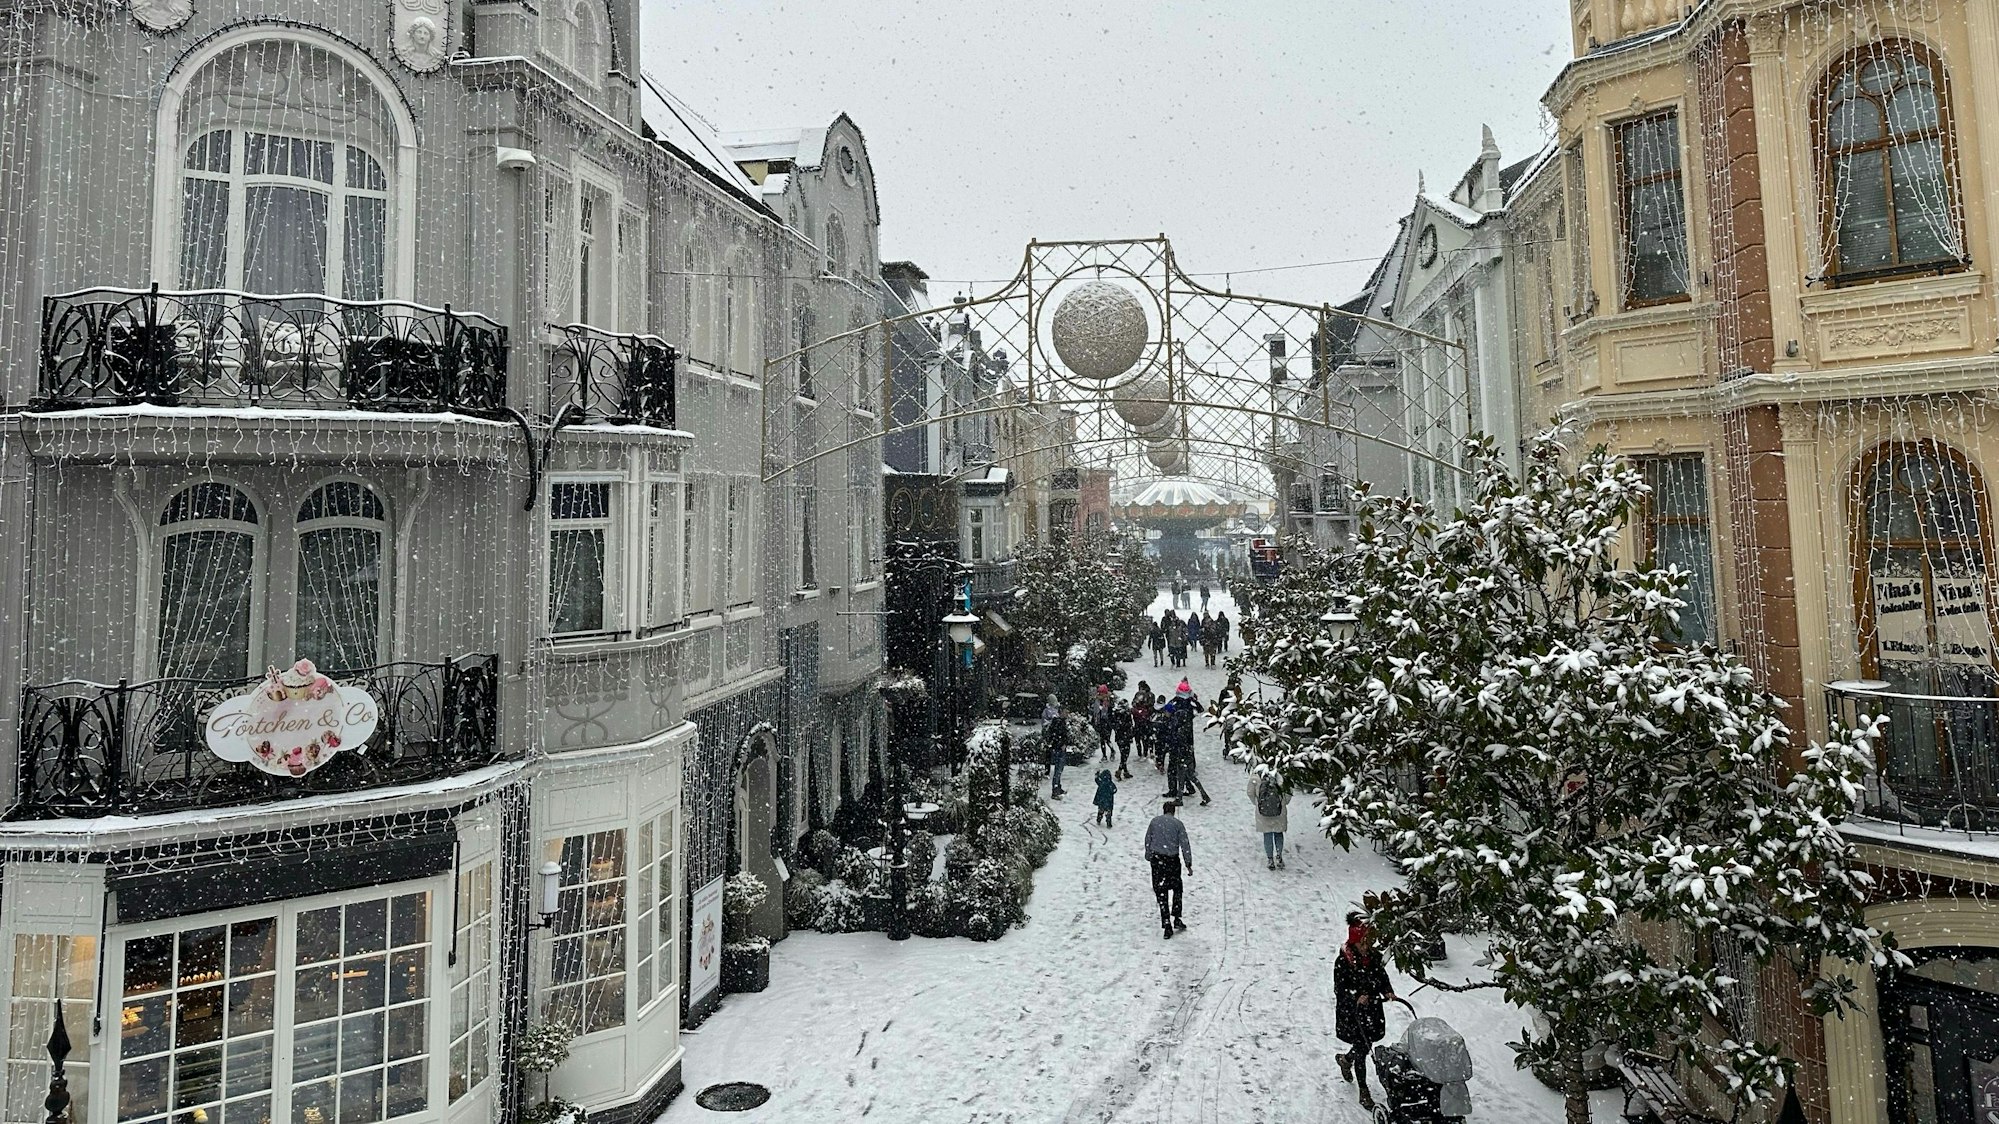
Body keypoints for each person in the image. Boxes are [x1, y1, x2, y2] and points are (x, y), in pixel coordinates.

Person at [1334, 911, 1398, 1107]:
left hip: (1372, 1009)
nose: (1365, 947)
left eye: (1367, 942)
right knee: (1362, 1049)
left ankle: (1346, 1060)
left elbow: (1382, 977)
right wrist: (1356, 997)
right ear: (1354, 943)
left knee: (1365, 1043)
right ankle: (1363, 1090)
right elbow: (1340, 988)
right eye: (1361, 943)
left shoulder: (1373, 958)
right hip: (1352, 1013)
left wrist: (1387, 991)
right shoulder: (1343, 961)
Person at [1143, 800, 1193, 939]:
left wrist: (1148, 854)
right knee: (1177, 888)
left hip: (1157, 860)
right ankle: (1176, 916)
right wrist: (1188, 863)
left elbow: (1148, 839)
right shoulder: (1178, 824)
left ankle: (1166, 922)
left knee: (1161, 891)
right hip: (1172, 861)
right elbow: (1185, 844)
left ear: (1164, 810)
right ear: (1173, 811)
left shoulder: (1155, 822)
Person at [1249, 771, 1291, 870]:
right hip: (1279, 810)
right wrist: (1283, 802)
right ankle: (1279, 856)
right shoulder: (1281, 775)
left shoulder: (1256, 776)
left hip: (1263, 811)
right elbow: (1288, 792)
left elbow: (1250, 792)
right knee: (1278, 833)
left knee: (1267, 834)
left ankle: (1270, 859)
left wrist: (1257, 803)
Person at [1043, 697, 1067, 799]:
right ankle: (1055, 790)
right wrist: (1061, 744)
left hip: (1059, 748)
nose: (1067, 714)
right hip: (1058, 749)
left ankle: (1058, 787)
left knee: (1059, 770)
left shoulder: (1060, 722)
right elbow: (1056, 736)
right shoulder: (1057, 722)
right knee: (1058, 770)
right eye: (1065, 712)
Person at [1111, 698, 1135, 779]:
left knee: (1123, 754)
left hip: (1119, 736)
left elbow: (1113, 724)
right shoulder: (1126, 713)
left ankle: (1125, 771)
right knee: (1125, 755)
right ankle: (1120, 770)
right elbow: (1129, 724)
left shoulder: (1115, 713)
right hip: (1125, 736)